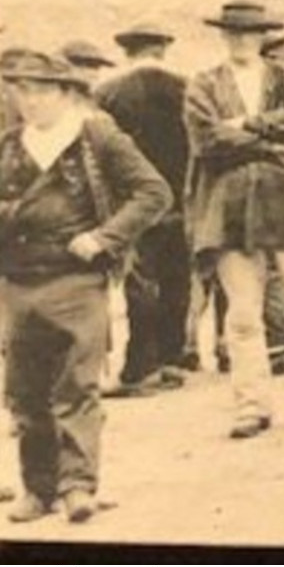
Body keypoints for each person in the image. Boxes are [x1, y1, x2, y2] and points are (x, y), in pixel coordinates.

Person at [0, 50, 171, 524]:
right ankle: (38, 489)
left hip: (76, 279)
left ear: (64, 92)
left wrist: (104, 237)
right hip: (17, 280)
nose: (26, 100)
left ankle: (78, 486)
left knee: (76, 383)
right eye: (18, 90)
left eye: (37, 90)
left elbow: (154, 192)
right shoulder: (11, 144)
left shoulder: (95, 136)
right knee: (25, 391)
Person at [182, 1, 284, 440]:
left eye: (249, 33)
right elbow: (207, 141)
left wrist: (251, 123)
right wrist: (273, 142)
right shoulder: (204, 84)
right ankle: (251, 405)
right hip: (231, 209)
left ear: (262, 38)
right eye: (232, 33)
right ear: (223, 37)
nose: (240, 40)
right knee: (242, 314)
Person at [95, 23, 192, 397]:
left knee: (140, 280)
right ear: (164, 50)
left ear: (127, 52)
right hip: (181, 196)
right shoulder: (189, 88)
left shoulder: (109, 92)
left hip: (133, 199)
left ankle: (140, 365)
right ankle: (170, 357)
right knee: (176, 277)